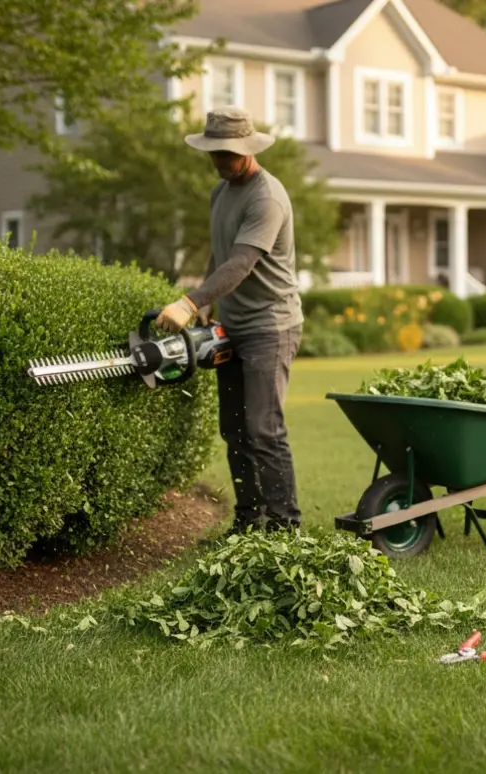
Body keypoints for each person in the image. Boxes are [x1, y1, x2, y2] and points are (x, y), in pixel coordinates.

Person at [155, 107, 304, 535]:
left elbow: (241, 263)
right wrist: (204, 302)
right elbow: (221, 253)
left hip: (270, 326)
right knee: (235, 429)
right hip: (233, 325)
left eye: (227, 154)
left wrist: (188, 301)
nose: (220, 161)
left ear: (248, 150)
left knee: (263, 427)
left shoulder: (266, 197)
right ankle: (248, 521)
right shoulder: (221, 192)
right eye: (214, 153)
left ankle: (284, 528)